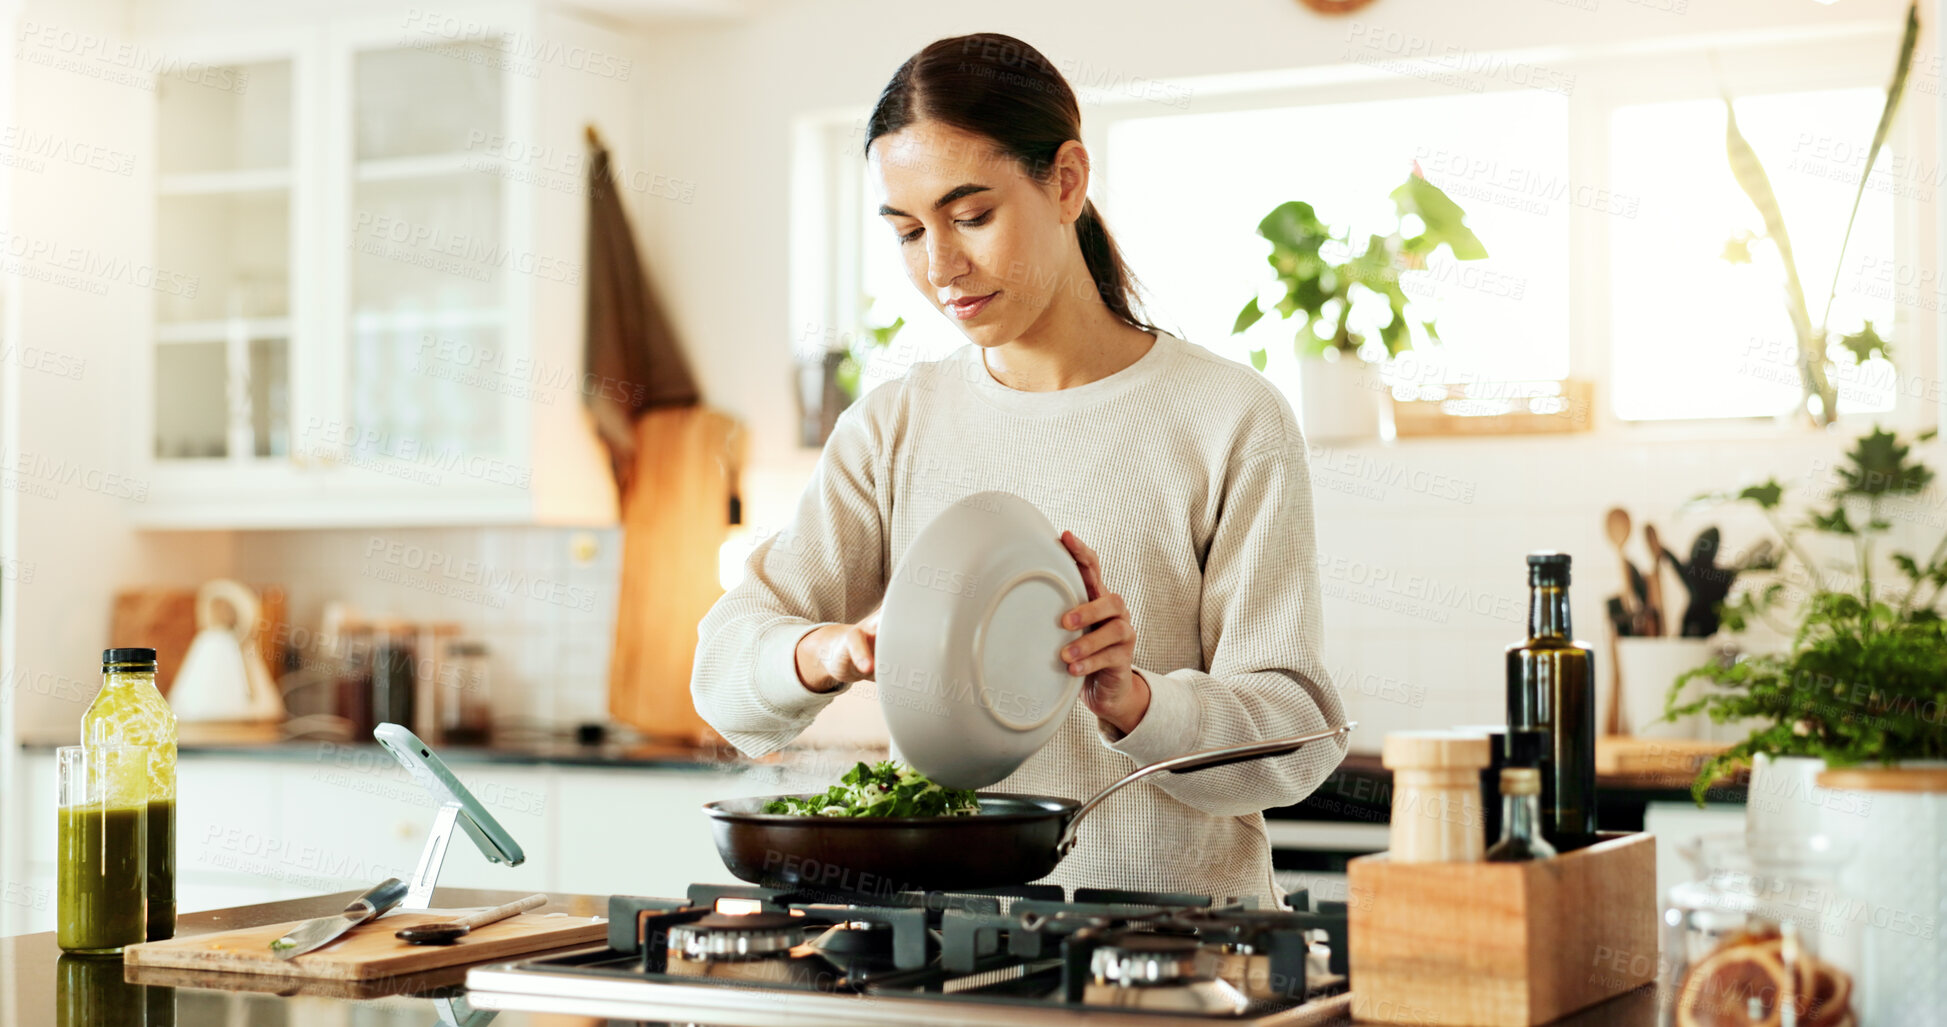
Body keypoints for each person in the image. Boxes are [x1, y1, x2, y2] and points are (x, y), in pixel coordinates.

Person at [691, 31, 1347, 908]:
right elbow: (724, 678)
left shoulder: (1229, 416)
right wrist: (825, 651)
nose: (940, 267)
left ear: (1066, 180)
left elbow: (1297, 734)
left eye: (970, 217)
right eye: (909, 231)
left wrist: (1137, 702)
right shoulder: (894, 424)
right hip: (949, 951)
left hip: (1176, 953)